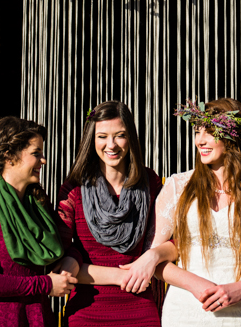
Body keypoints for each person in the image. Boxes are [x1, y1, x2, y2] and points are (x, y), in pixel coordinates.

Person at [147, 98, 241, 326]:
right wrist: (195, 284)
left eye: (210, 132)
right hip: (184, 312)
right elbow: (153, 259)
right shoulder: (178, 186)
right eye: (197, 132)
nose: (200, 140)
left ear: (234, 137)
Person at [55, 101, 168, 326]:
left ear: (131, 139)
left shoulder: (151, 183)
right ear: (91, 139)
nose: (111, 145)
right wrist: (120, 276)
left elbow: (175, 240)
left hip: (141, 308)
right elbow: (60, 258)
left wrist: (152, 257)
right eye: (102, 136)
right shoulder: (73, 189)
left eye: (119, 135)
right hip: (86, 310)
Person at [0, 116, 77, 327]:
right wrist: (44, 284)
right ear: (9, 155)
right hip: (0, 319)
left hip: (39, 316)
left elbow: (63, 250)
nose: (43, 160)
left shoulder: (39, 204)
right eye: (36, 153)